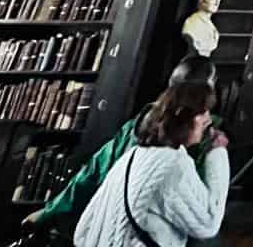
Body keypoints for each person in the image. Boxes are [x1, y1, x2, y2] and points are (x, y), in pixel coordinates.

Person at [23, 55, 220, 235]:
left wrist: (48, 213)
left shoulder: (139, 126)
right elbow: (206, 214)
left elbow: (92, 174)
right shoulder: (204, 136)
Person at [72, 82, 229, 247]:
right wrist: (218, 153)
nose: (208, 119)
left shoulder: (132, 156)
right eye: (203, 112)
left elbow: (82, 232)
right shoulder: (173, 164)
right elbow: (208, 224)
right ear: (183, 116)